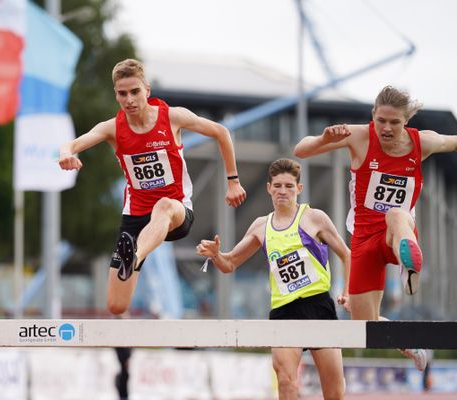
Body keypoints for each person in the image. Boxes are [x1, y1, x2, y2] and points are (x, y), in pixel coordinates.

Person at [59, 58, 246, 315]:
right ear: (116, 95)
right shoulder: (112, 129)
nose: (130, 100)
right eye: (122, 94)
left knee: (164, 205)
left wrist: (233, 181)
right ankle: (132, 257)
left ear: (147, 90)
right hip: (136, 217)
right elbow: (71, 144)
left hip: (176, 211)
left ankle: (134, 256)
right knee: (116, 305)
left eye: (135, 92)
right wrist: (66, 154)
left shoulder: (172, 117)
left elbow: (221, 132)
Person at [294, 85, 457, 371]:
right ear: (373, 116)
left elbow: (452, 141)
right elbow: (301, 150)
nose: (386, 128)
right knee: (363, 327)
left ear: (406, 121)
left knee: (396, 214)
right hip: (363, 241)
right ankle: (410, 344)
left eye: (395, 122)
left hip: (398, 232)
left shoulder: (424, 143)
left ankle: (408, 262)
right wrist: (323, 138)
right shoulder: (359, 136)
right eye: (381, 120)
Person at [197, 158, 350, 400]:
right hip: (284, 311)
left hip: (318, 306)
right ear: (269, 188)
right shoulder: (261, 226)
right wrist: (216, 255)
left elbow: (346, 254)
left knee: (335, 393)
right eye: (277, 185)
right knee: (286, 381)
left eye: (289, 186)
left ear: (299, 189)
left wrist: (349, 291)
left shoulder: (314, 218)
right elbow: (230, 263)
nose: (283, 191)